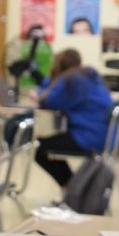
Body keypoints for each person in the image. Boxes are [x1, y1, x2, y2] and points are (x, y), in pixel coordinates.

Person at [34, 48, 112, 189]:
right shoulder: (89, 76)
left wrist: (48, 82)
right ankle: (73, 188)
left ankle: (71, 189)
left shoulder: (70, 79)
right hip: (103, 136)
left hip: (87, 137)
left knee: (39, 148)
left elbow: (48, 102)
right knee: (53, 142)